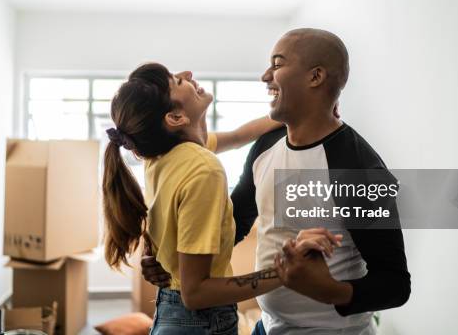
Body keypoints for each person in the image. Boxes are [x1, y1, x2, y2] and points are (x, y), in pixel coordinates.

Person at [144, 29, 411, 335]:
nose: (264, 76)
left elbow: (395, 284)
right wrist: (169, 257)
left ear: (315, 77)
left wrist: (332, 291)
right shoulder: (266, 145)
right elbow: (234, 222)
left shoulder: (358, 169)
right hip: (268, 327)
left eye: (277, 64)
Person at [102, 62, 341, 335]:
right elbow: (196, 293)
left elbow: (241, 135)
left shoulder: (162, 154)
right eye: (177, 82)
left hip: (173, 311)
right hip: (200, 322)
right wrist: (285, 271)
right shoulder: (203, 168)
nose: (188, 74)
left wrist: (306, 112)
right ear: (176, 118)